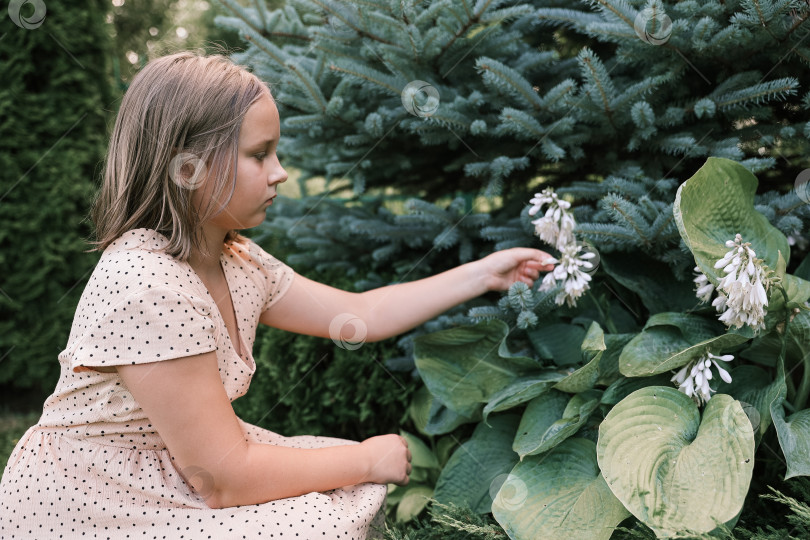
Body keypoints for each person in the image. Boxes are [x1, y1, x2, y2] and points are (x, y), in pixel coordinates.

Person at [0, 50, 554, 539]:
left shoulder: (237, 260)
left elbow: (360, 314)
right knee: (324, 515)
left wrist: (484, 274)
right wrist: (364, 458)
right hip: (95, 499)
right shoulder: (145, 285)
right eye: (260, 154)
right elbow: (225, 480)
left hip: (178, 470)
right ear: (188, 166)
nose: (281, 173)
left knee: (336, 498)